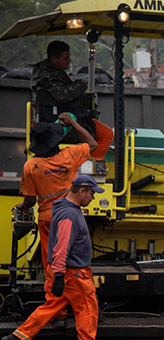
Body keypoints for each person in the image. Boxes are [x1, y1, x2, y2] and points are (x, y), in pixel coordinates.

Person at [2, 175, 110, 340]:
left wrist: (58, 273)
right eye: (91, 193)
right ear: (82, 191)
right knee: (87, 306)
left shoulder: (63, 207)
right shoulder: (69, 215)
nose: (93, 198)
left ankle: (17, 338)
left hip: (65, 270)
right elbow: (62, 247)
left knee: (52, 306)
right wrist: (60, 275)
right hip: (73, 272)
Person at [16, 114, 112, 298]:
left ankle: (57, 310)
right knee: (76, 262)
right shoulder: (70, 155)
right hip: (71, 216)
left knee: (53, 264)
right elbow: (93, 143)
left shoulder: (31, 166)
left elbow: (30, 201)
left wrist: (22, 206)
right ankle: (79, 301)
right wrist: (73, 123)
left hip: (48, 218)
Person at [31, 41, 88, 107]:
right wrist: (80, 84)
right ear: (54, 59)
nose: (69, 60)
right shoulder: (48, 76)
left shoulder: (52, 72)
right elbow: (63, 95)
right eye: (66, 58)